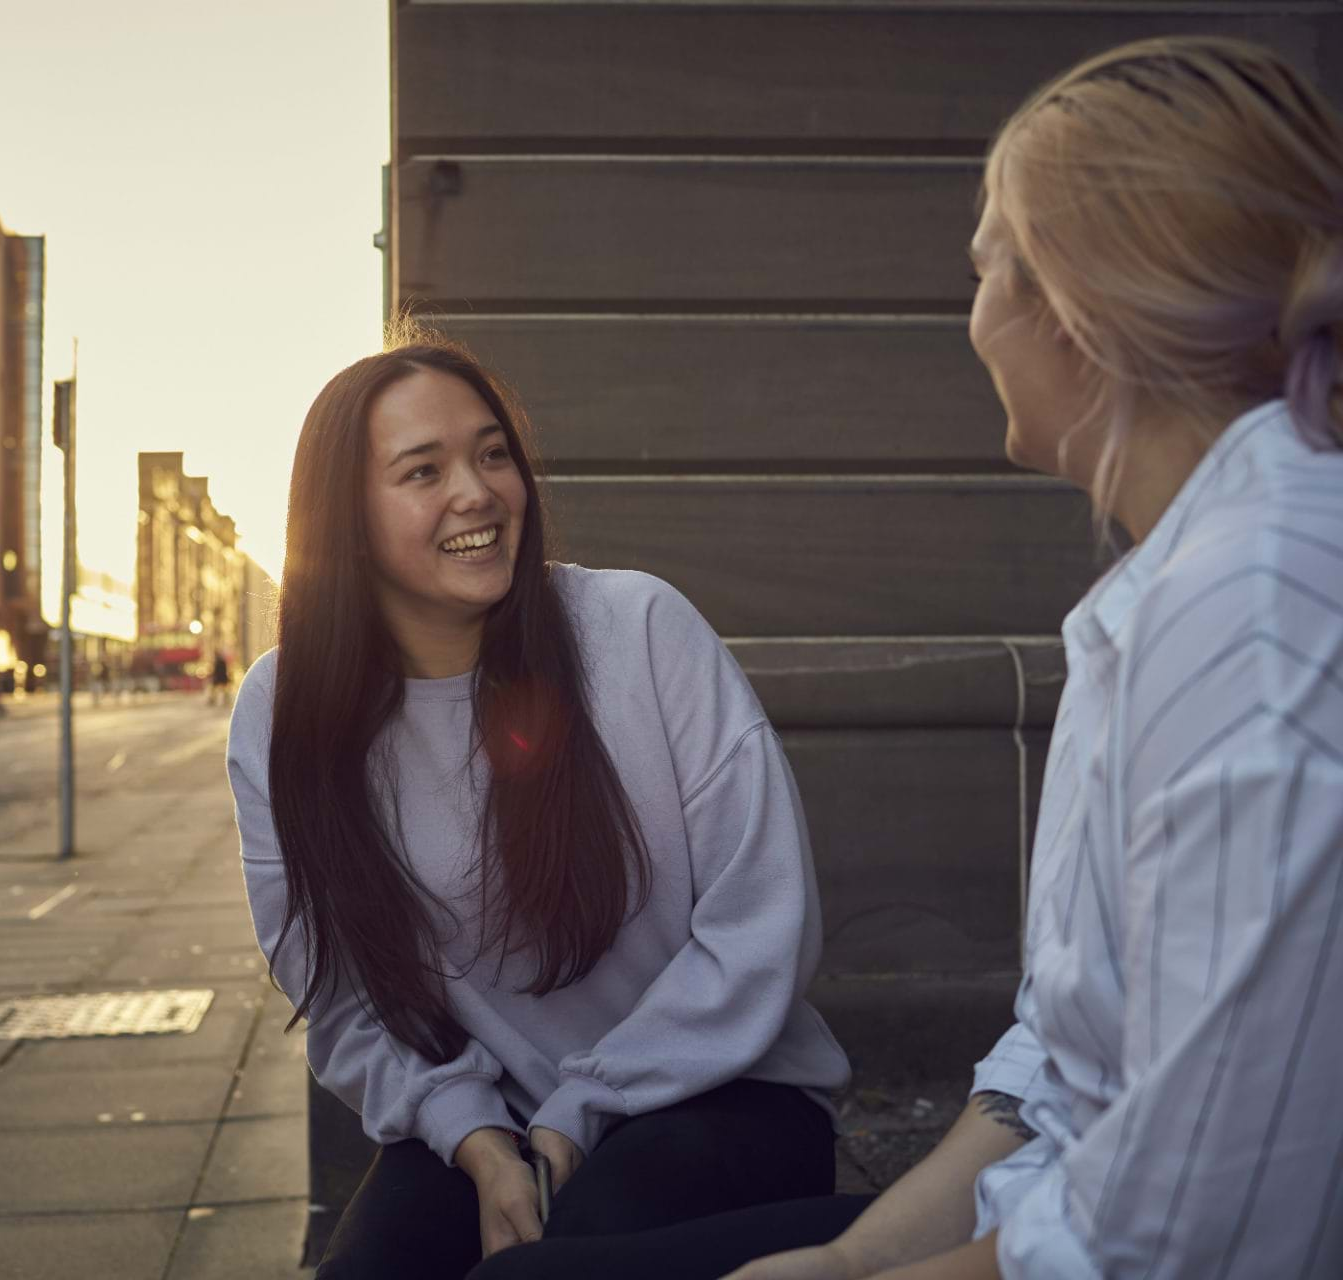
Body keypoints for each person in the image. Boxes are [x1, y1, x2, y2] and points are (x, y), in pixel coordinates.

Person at [468, 35, 1343, 1280]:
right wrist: (848, 1259)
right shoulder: (1167, 593)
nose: (971, 314)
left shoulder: (1247, 616)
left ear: (1080, 305)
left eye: (987, 269)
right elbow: (1052, 1071)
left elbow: (1189, 1230)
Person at [226, 333, 851, 1279]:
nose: (477, 493)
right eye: (422, 471)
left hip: (727, 1093)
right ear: (345, 522)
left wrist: (577, 1114)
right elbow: (336, 994)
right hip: (488, 1117)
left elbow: (763, 928)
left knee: (565, 1253)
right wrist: (472, 1136)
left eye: (491, 454)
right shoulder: (284, 714)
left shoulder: (639, 630)